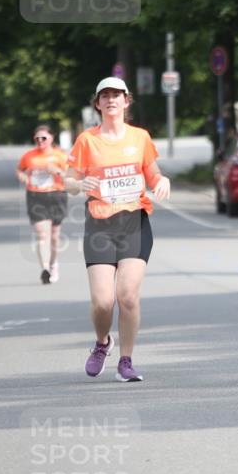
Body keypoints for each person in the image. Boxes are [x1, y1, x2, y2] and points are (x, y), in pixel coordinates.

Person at [65, 77, 170, 382]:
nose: (111, 100)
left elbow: (152, 173)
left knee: (128, 296)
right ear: (97, 103)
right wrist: (78, 184)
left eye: (117, 95)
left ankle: (126, 361)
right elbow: (68, 180)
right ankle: (102, 343)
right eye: (105, 95)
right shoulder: (87, 140)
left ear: (126, 101)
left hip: (134, 221)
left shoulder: (140, 137)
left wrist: (162, 181)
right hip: (100, 224)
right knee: (103, 301)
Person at [16, 125, 69, 284]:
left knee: (54, 236)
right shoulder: (29, 156)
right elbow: (19, 169)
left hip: (56, 195)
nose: (40, 141)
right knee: (42, 234)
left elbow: (71, 176)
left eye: (44, 138)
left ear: (51, 138)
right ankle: (45, 269)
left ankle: (53, 264)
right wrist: (22, 176)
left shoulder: (60, 156)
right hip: (36, 196)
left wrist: (57, 171)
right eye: (37, 138)